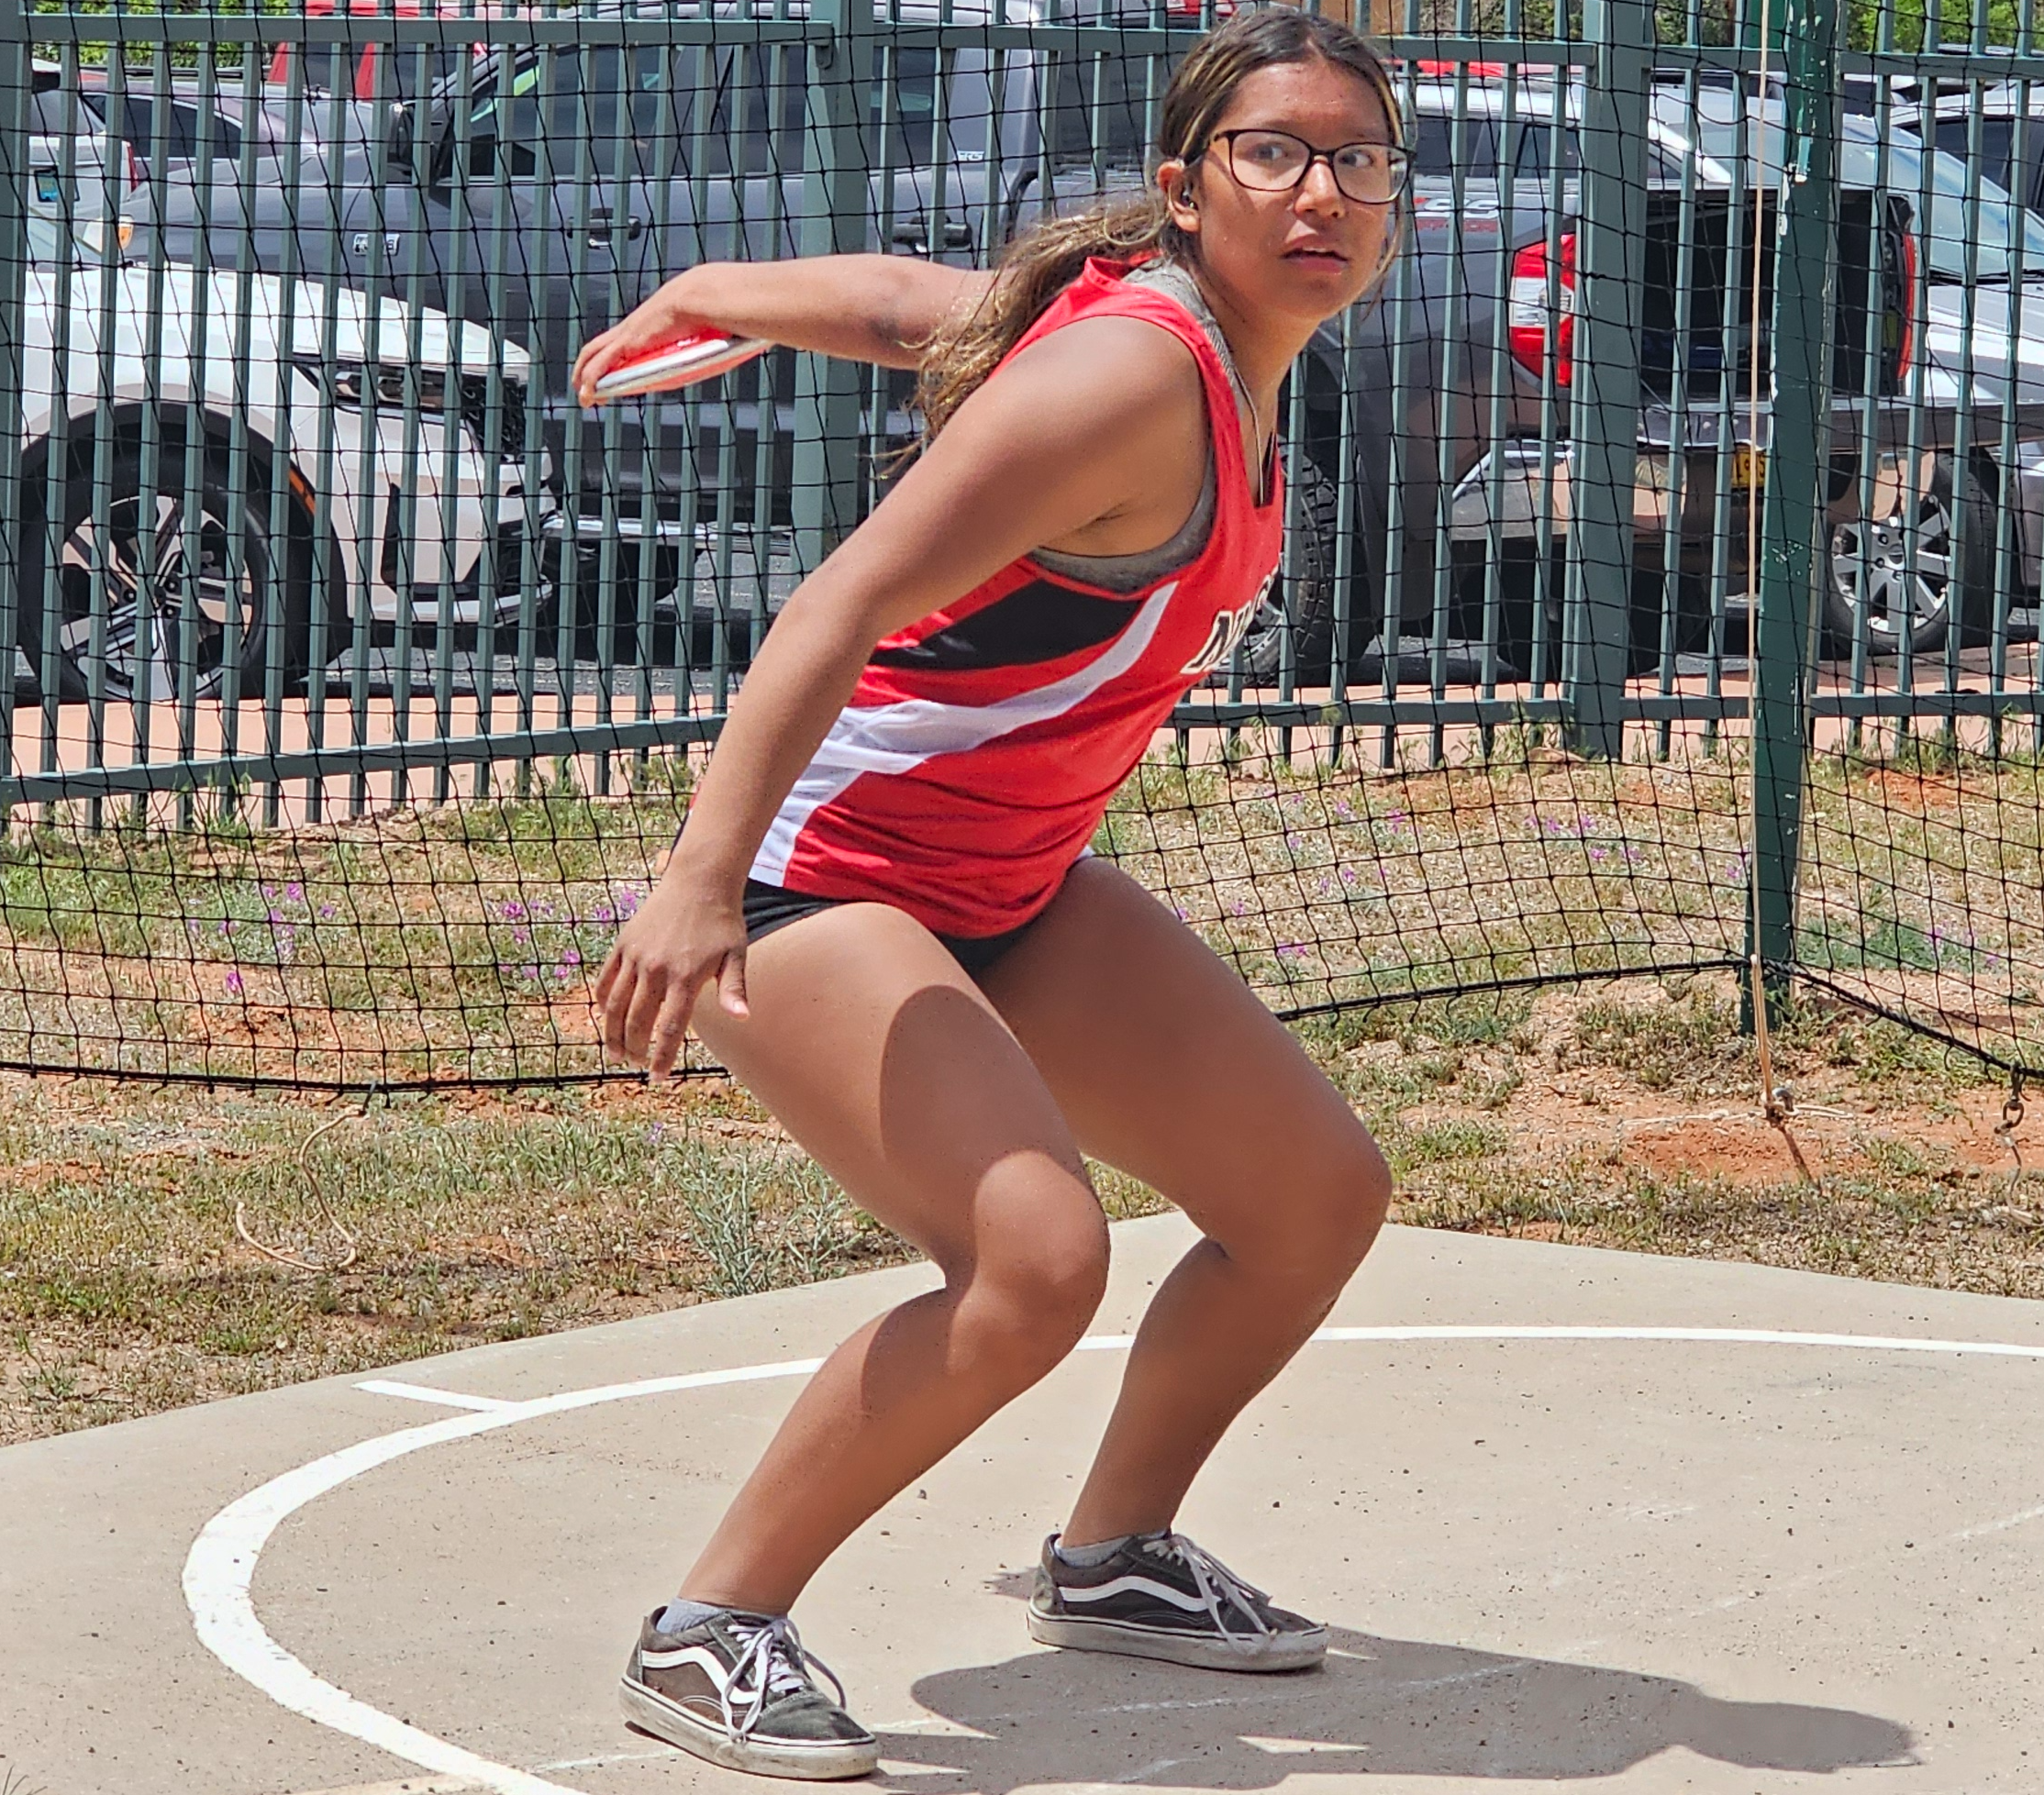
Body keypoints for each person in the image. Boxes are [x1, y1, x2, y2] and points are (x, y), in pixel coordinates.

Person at [570, 10, 1413, 1780]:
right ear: (1185, 190)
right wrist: (698, 877)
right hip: (819, 881)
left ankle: (1112, 1561)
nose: (1319, 188)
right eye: (1274, 151)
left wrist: (720, 282)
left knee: (1313, 1196)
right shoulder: (1134, 376)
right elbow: (840, 603)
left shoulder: (1219, 343)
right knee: (1032, 1266)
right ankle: (710, 1627)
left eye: (1356, 156)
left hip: (1003, 883)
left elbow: (916, 314)